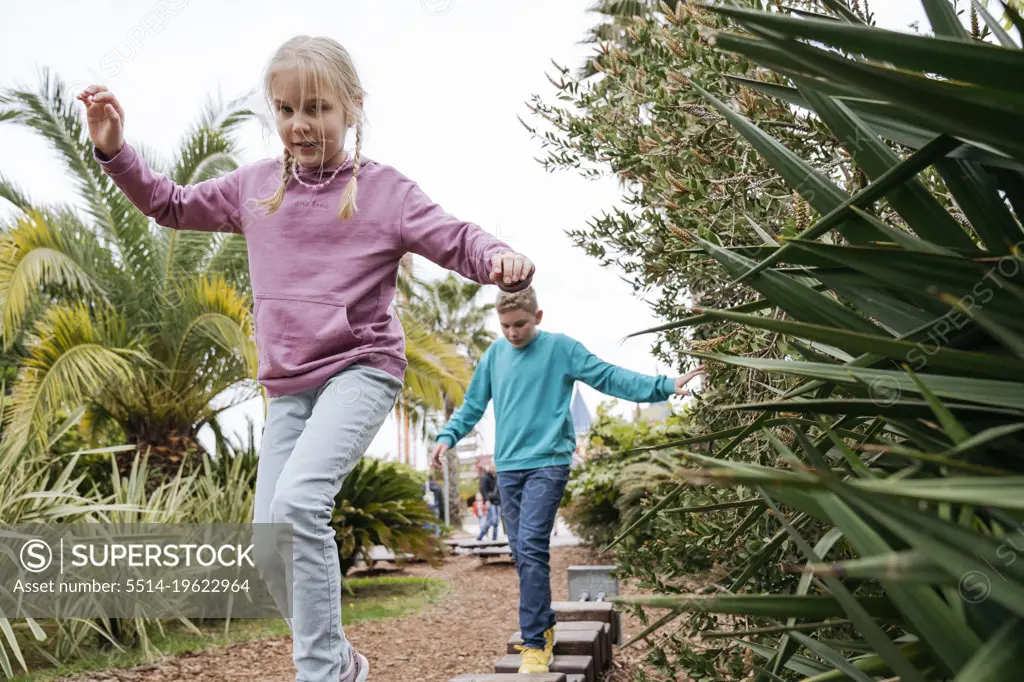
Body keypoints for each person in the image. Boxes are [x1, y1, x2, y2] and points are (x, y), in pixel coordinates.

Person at [78, 35, 534, 682]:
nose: (299, 124)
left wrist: (498, 259)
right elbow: (170, 205)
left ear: (353, 108)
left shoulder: (383, 193)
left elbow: (454, 237)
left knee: (298, 506)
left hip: (361, 368)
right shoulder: (254, 188)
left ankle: (321, 673)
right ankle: (342, 662)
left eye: (317, 108)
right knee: (269, 546)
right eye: (286, 110)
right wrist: (113, 150)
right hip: (289, 388)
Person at [430, 287, 703, 674]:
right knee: (522, 552)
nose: (513, 333)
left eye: (520, 324)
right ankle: (544, 627)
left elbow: (608, 377)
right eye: (505, 325)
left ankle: (535, 642)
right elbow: (473, 405)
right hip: (508, 467)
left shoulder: (562, 349)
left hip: (549, 462)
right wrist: (446, 437)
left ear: (537, 317)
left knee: (533, 546)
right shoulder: (494, 356)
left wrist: (665, 385)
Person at [477, 460, 502, 542]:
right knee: (492, 520)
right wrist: (486, 500)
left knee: (496, 522)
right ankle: (480, 536)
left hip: (498, 501)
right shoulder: (485, 477)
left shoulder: (498, 477)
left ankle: (494, 539)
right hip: (490, 501)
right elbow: (483, 489)